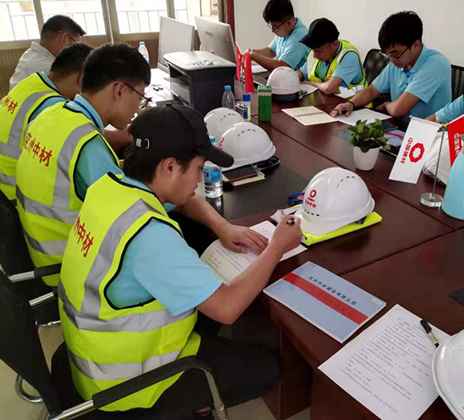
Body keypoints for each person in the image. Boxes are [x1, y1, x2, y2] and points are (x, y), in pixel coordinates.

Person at [57, 105, 302, 416]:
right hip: (128, 384)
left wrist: (222, 227)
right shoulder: (149, 234)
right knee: (268, 368)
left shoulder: (110, 187)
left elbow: (186, 202)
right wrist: (277, 247)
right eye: (198, 169)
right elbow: (227, 308)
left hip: (92, 353)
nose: (199, 181)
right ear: (170, 167)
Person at [15, 43, 150, 286]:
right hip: (73, 267)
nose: (137, 108)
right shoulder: (86, 144)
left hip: (41, 251)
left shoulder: (50, 115)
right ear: (120, 90)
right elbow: (130, 215)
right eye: (139, 97)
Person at [0, 43, 92, 201]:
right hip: (18, 198)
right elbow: (83, 144)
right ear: (82, 78)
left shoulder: (31, 84)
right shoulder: (53, 107)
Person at [331, 11, 451, 122]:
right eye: (387, 54)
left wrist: (386, 105)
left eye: (395, 54)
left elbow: (399, 109)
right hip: (400, 126)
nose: (391, 59)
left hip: (429, 134)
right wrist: (351, 104)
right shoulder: (398, 62)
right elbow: (372, 90)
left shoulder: (435, 64)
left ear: (416, 45)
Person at [10, 15, 86, 90]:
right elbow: (79, 90)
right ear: (64, 38)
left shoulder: (31, 54)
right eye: (74, 45)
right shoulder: (46, 67)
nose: (74, 51)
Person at [297, 18, 365, 96]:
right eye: (313, 50)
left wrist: (311, 84)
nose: (315, 55)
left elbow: (329, 88)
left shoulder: (349, 56)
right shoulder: (317, 54)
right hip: (323, 101)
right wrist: (293, 78)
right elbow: (301, 72)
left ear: (335, 44)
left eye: (319, 51)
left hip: (352, 102)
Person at [249, 0, 310, 72]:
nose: (272, 31)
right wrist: (251, 52)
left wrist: (253, 56)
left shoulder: (299, 37)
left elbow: (281, 66)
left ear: (289, 23)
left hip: (298, 78)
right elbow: (271, 51)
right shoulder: (284, 31)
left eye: (275, 27)